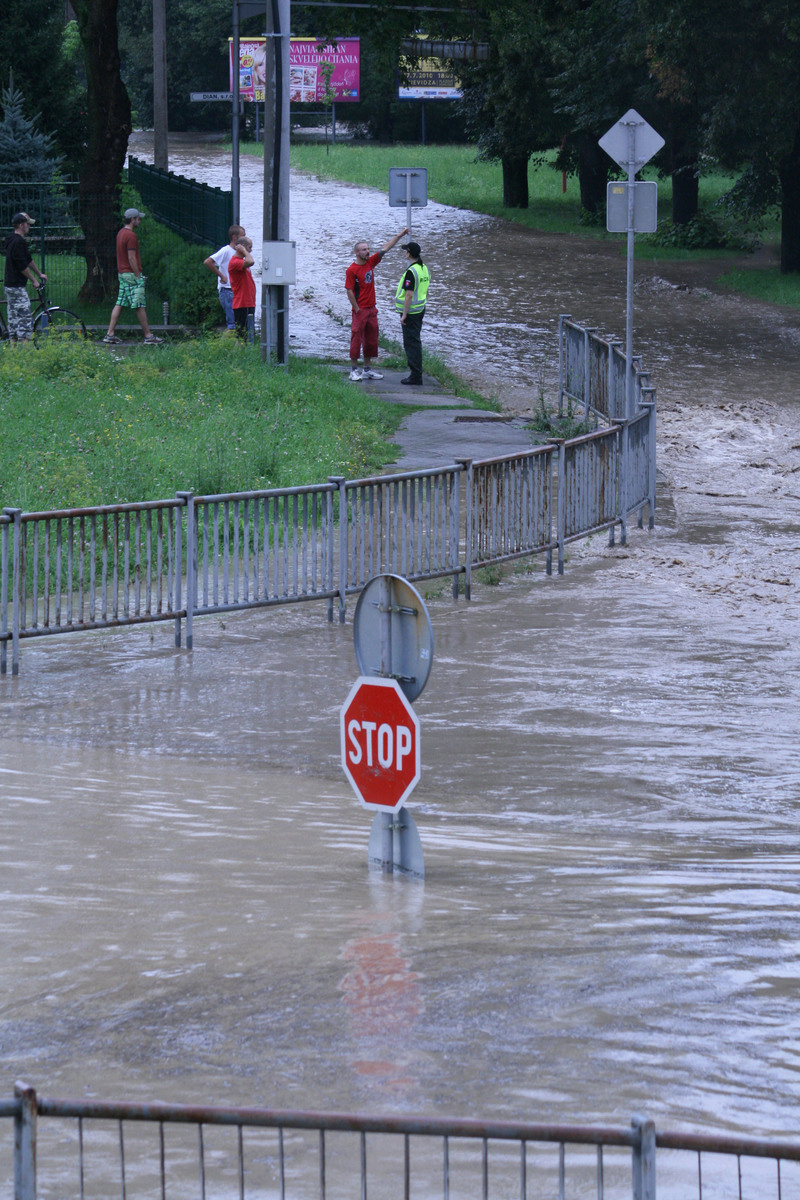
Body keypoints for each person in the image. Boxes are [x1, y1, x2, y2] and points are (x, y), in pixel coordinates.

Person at [345, 226, 408, 381]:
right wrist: (357, 308)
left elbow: (386, 248)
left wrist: (400, 234)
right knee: (356, 337)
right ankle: (354, 370)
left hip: (372, 309)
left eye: (368, 249)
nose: (367, 251)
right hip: (360, 310)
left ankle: (367, 369)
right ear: (357, 253)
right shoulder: (352, 270)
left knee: (371, 339)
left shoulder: (370, 263)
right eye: (364, 249)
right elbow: (349, 291)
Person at [104, 209, 163, 345]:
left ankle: (110, 334)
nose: (139, 221)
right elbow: (131, 258)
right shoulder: (131, 236)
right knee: (139, 304)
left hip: (122, 274)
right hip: (131, 275)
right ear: (132, 220)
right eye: (138, 219)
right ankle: (148, 336)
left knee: (119, 303)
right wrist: (138, 276)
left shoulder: (120, 233)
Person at [3, 212, 47, 346]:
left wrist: (40, 274)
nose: (29, 226)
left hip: (9, 285)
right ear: (21, 225)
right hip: (16, 286)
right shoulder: (18, 241)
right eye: (27, 224)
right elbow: (21, 265)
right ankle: (26, 348)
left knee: (13, 317)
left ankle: (13, 347)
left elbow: (27, 260)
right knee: (25, 317)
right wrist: (34, 280)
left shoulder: (12, 239)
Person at [395, 240, 430, 386]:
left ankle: (415, 376)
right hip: (420, 309)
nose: (405, 253)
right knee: (415, 342)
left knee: (411, 344)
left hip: (411, 313)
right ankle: (416, 374)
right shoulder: (424, 268)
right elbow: (425, 290)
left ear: (409, 253)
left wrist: (404, 314)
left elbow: (408, 295)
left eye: (406, 251)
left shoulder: (411, 271)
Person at [203, 224, 246, 331]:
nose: (245, 238)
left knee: (238, 322)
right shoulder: (226, 250)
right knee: (232, 324)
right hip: (227, 290)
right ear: (235, 237)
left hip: (235, 290)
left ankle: (236, 344)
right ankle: (228, 343)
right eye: (243, 236)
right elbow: (208, 262)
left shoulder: (238, 252)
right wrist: (222, 275)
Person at [227, 236, 256, 339]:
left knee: (246, 334)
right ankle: (238, 352)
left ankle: (243, 352)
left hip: (248, 302)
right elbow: (251, 262)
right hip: (242, 303)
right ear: (243, 246)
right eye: (250, 247)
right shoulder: (235, 262)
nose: (251, 250)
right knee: (242, 335)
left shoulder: (241, 261)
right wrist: (244, 251)